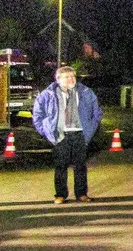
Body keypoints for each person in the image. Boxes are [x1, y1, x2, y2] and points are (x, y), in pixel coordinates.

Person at [32, 65, 102, 204]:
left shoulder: (86, 92)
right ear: (58, 79)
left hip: (79, 134)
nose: (71, 79)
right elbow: (38, 115)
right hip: (60, 135)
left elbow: (97, 112)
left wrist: (92, 126)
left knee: (80, 166)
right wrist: (45, 131)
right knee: (60, 166)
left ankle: (82, 194)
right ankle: (60, 195)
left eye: (73, 76)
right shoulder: (48, 95)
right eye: (67, 77)